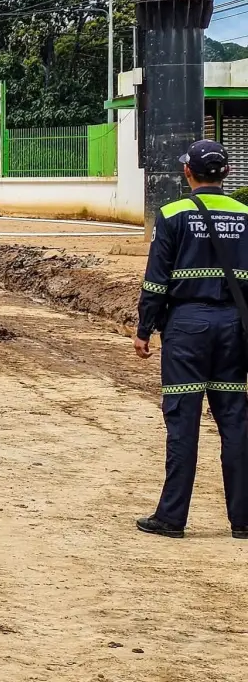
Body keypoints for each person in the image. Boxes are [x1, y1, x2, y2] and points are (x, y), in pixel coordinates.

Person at [135, 139, 248, 540]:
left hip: (186, 329)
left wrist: (144, 329)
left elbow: (156, 281)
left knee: (183, 420)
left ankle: (172, 518)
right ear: (227, 174)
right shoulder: (245, 215)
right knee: (234, 420)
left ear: (188, 173)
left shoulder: (172, 215)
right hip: (234, 329)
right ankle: (243, 519)